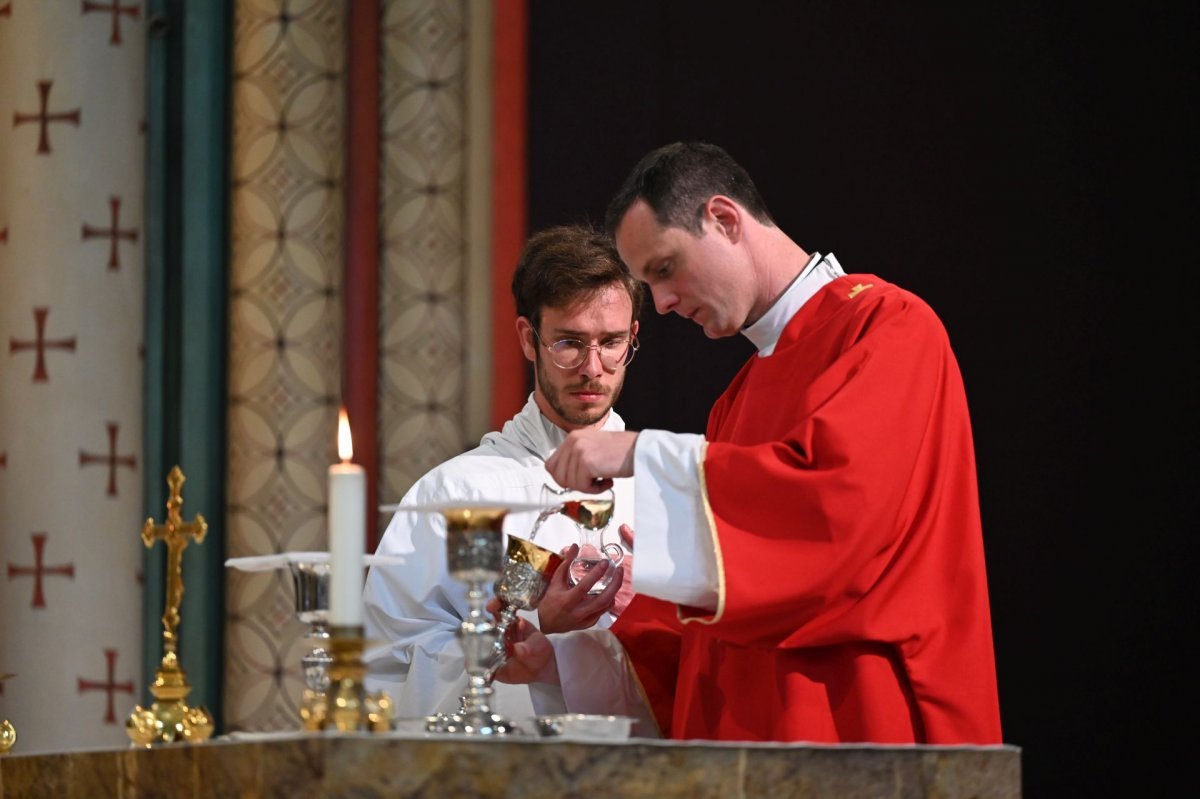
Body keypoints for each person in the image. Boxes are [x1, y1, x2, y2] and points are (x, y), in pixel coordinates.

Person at [499, 141, 1002, 745]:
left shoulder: (887, 327)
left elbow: (835, 512)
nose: (660, 304)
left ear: (725, 220)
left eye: (663, 269)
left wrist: (641, 453)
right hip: (749, 731)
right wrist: (565, 662)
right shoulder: (739, 395)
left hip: (851, 716)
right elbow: (720, 622)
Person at [361, 224, 647, 727]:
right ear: (528, 339)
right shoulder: (455, 493)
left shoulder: (661, 489)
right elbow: (386, 670)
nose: (592, 368)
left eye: (612, 343)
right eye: (569, 343)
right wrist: (536, 629)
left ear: (632, 339)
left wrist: (648, 617)